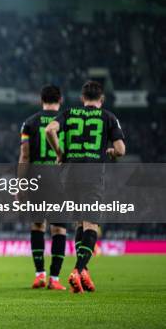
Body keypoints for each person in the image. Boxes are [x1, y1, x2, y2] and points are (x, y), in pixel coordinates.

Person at [45, 80, 125, 293]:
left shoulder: (70, 113)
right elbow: (121, 149)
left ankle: (84, 273)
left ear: (82, 98)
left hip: (69, 175)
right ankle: (78, 269)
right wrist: (111, 152)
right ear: (102, 99)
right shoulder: (108, 117)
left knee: (80, 223)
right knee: (92, 226)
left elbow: (49, 130)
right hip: (92, 176)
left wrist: (59, 153)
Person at [18, 85, 67, 290]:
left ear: (41, 100)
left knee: (37, 225)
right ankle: (54, 279)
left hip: (36, 177)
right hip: (60, 178)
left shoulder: (29, 123)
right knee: (59, 228)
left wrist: (20, 184)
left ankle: (39, 275)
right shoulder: (67, 121)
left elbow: (25, 156)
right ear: (60, 100)